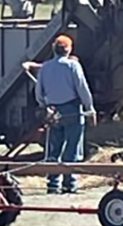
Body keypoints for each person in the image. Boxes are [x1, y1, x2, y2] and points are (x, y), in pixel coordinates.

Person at [35, 35, 97, 195]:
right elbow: (82, 88)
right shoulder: (73, 66)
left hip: (53, 110)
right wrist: (90, 108)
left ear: (53, 49)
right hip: (72, 110)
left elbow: (38, 92)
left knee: (53, 148)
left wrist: (44, 106)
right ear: (69, 50)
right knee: (72, 147)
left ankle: (53, 184)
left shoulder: (45, 67)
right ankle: (70, 184)